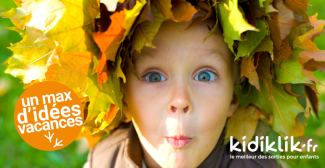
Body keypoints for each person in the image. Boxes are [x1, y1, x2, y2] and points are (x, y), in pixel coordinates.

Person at [85, 9, 280, 168]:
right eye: (154, 77)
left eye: (205, 76)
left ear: (233, 98)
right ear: (123, 98)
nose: (180, 100)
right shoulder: (103, 162)